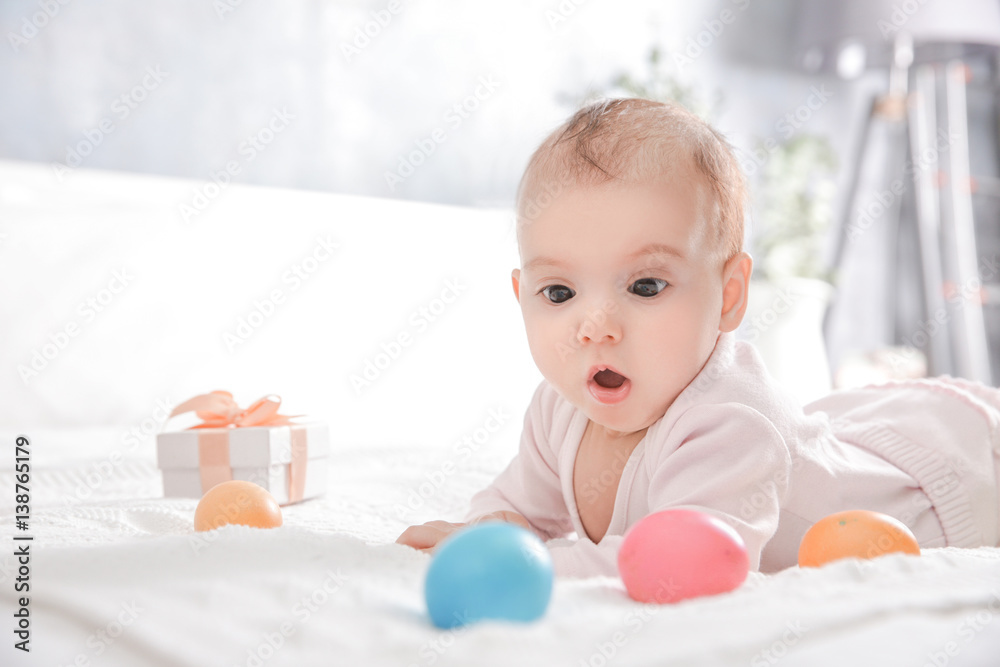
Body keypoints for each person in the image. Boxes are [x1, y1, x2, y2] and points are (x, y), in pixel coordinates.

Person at [396, 97, 1000, 576]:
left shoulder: (731, 425)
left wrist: (528, 566)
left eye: (646, 286)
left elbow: (679, 564)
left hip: (945, 484)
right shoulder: (557, 410)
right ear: (521, 295)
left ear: (729, 295)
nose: (596, 326)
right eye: (559, 293)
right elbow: (518, 509)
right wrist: (491, 532)